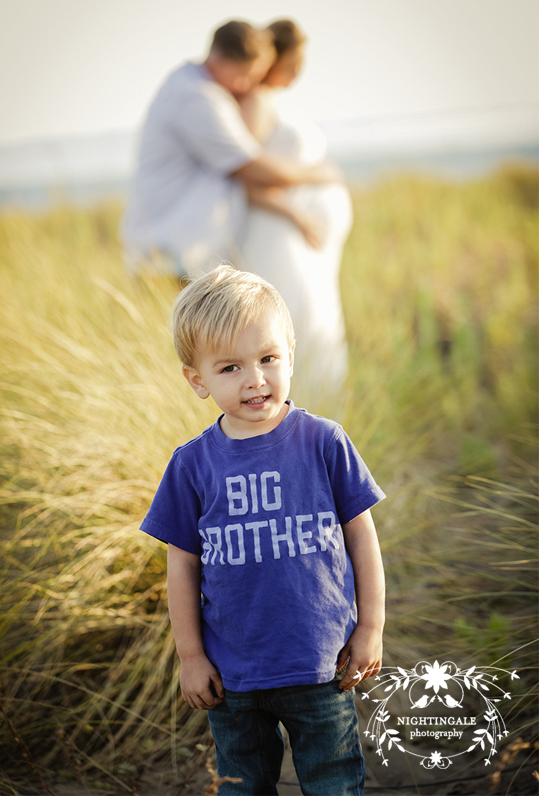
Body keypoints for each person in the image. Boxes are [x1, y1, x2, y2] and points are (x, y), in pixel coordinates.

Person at [140, 265, 386, 795]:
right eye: (230, 367)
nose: (255, 379)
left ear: (290, 354)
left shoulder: (324, 442)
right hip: (234, 676)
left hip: (321, 664)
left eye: (269, 358)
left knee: (333, 781)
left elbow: (362, 537)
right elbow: (182, 567)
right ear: (197, 379)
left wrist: (370, 628)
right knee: (243, 784)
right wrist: (190, 656)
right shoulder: (192, 465)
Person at [121, 20, 338, 277]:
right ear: (223, 61)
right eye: (245, 75)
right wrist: (318, 174)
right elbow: (250, 167)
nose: (247, 86)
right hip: (169, 253)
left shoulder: (191, 86)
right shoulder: (197, 98)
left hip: (178, 249)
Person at [237, 20, 354, 410]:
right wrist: (299, 215)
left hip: (296, 237)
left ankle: (318, 417)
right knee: (294, 321)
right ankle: (293, 415)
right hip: (278, 232)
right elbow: (245, 176)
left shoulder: (268, 101)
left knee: (312, 320)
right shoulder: (255, 101)